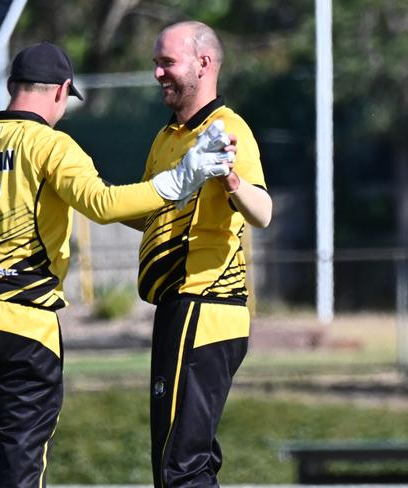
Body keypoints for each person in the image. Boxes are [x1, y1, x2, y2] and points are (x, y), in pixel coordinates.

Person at [0, 41, 235, 488]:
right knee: (16, 471)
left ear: (11, 87)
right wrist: (180, 180)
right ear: (61, 90)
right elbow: (103, 204)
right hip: (25, 330)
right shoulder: (52, 146)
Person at [128, 21, 273, 487]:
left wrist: (231, 181)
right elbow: (151, 212)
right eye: (156, 63)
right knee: (186, 462)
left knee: (181, 468)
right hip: (178, 308)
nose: (157, 73)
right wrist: (90, 200)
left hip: (204, 305)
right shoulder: (168, 137)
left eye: (166, 62)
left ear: (203, 63)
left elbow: (263, 211)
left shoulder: (227, 129)